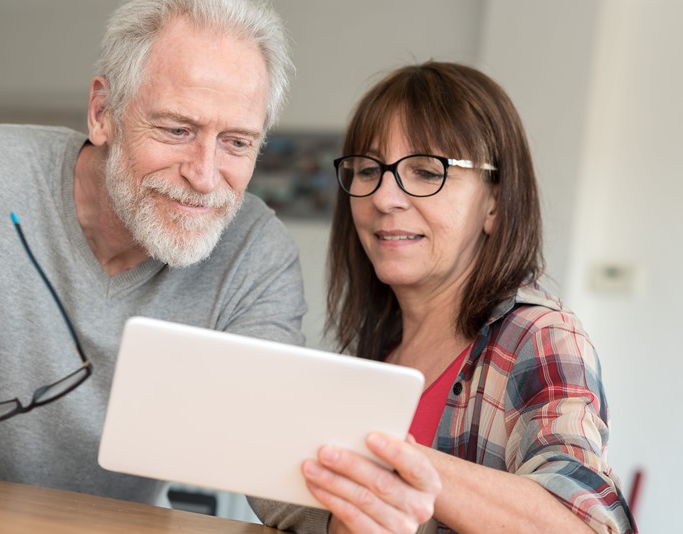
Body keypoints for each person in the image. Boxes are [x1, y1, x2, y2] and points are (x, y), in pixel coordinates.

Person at [0, 0, 306, 505]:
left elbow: (277, 461)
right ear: (103, 113)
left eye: (236, 143)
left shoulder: (256, 251)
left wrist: (345, 515)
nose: (205, 175)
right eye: (178, 131)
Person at [250, 61, 636, 533]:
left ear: (494, 203)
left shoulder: (539, 336)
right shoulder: (379, 351)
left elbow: (587, 525)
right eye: (368, 170)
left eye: (425, 171)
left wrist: (396, 466)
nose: (385, 198)